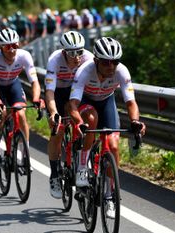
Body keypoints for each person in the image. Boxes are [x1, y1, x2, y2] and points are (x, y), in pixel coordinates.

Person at [68, 37, 146, 217]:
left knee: (113, 145)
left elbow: (131, 102)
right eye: (105, 62)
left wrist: (135, 122)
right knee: (91, 118)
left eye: (115, 62)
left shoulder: (122, 72)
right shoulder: (84, 72)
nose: (111, 66)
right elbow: (72, 104)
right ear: (96, 60)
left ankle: (110, 195)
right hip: (85, 102)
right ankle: (81, 167)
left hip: (106, 101)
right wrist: (79, 123)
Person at [0, 28, 44, 171]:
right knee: (0, 116)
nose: (12, 50)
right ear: (0, 47)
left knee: (21, 113)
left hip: (13, 84)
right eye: (7, 46)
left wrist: (36, 98)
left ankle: (25, 154)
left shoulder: (24, 56)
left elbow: (35, 82)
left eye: (15, 45)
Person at [44, 31, 94, 199]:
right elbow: (49, 92)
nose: (77, 57)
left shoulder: (88, 58)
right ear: (64, 52)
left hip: (78, 93)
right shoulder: (55, 60)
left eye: (79, 52)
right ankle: (55, 175)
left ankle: (83, 162)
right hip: (59, 92)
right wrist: (54, 113)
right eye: (72, 53)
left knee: (88, 123)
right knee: (58, 131)